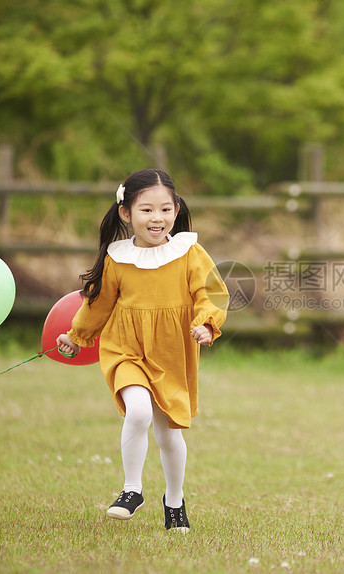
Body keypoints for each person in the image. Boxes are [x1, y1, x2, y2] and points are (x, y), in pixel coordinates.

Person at [56, 169, 228, 532]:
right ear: (126, 213)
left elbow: (208, 292)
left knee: (169, 434)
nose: (157, 219)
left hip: (171, 352)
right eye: (147, 210)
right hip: (126, 348)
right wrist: (77, 335)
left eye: (165, 210)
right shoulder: (117, 259)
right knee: (137, 411)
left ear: (177, 210)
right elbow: (98, 305)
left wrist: (206, 324)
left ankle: (175, 500)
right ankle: (132, 489)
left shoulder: (188, 252)